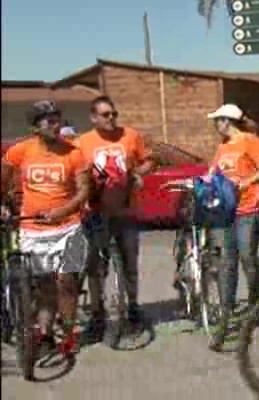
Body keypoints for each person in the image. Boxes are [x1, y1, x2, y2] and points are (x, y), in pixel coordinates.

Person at [0, 100, 90, 354]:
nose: (56, 125)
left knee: (67, 282)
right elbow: (3, 177)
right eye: (49, 121)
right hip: (33, 229)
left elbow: (84, 189)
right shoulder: (21, 151)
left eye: (57, 120)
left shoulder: (73, 152)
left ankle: (69, 335)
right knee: (44, 286)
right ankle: (46, 335)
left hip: (69, 228)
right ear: (36, 127)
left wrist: (64, 210)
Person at [78, 95, 154, 340]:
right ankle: (98, 315)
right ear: (93, 118)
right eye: (105, 115)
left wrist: (136, 174)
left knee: (130, 263)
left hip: (126, 211)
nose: (111, 118)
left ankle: (133, 308)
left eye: (114, 114)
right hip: (96, 213)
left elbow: (149, 160)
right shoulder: (81, 143)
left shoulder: (130, 136)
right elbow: (75, 174)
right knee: (96, 268)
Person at [205, 104, 259, 352]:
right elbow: (213, 173)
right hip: (227, 209)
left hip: (250, 207)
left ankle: (257, 300)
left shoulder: (251, 141)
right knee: (226, 263)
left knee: (246, 255)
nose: (215, 126)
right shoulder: (222, 148)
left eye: (217, 121)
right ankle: (225, 317)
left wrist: (246, 182)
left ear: (227, 121)